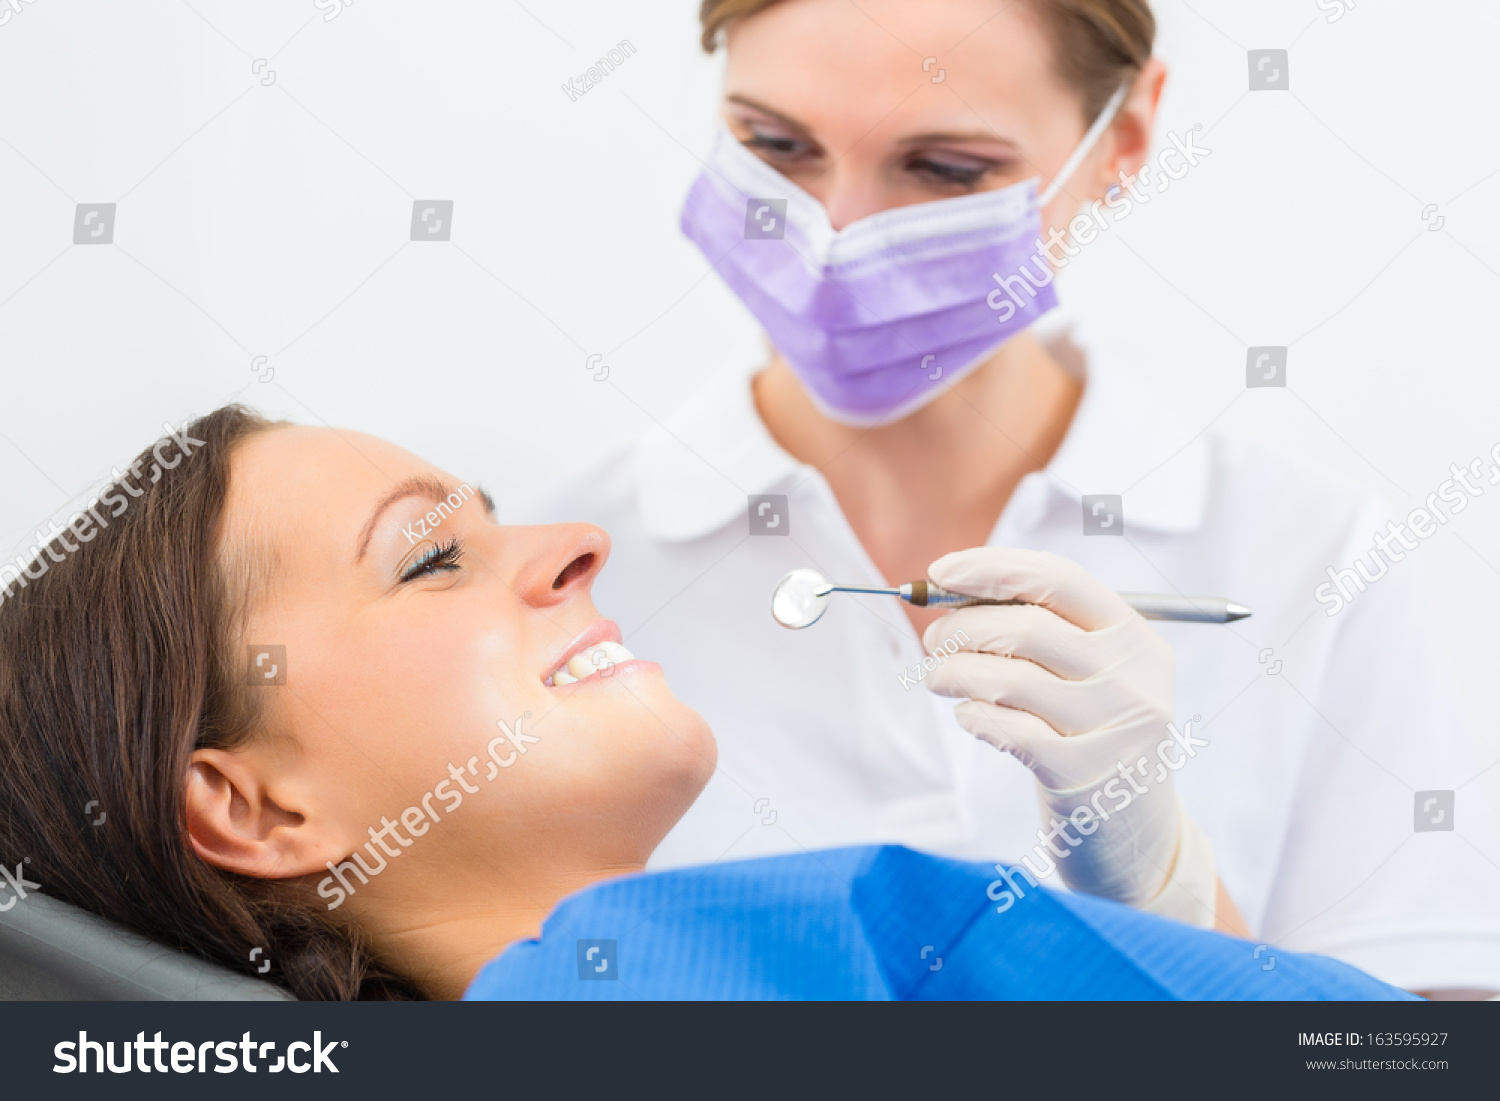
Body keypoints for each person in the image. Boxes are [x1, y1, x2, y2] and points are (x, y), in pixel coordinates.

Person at [508, 0, 1500, 995]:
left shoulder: (1313, 557)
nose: (836, 236)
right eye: (775, 145)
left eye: (945, 169)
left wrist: (1170, 894)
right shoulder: (560, 573)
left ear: (1125, 136)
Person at [0, 409, 1405, 1000]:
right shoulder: (756, 955)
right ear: (251, 802)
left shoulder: (730, 963)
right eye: (433, 556)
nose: (573, 546)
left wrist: (1155, 874)